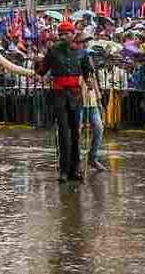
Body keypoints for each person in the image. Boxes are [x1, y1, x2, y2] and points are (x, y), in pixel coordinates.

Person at [35, 20, 93, 182]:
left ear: (73, 33)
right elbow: (42, 71)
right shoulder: (53, 51)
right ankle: (64, 170)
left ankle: (76, 168)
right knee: (63, 133)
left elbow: (87, 70)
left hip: (75, 95)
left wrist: (88, 80)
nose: (64, 37)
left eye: (67, 33)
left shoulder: (82, 52)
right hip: (59, 95)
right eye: (61, 34)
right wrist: (37, 61)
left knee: (75, 132)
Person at [76, 33, 107, 172]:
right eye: (83, 42)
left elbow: (94, 82)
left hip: (92, 101)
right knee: (76, 131)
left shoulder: (90, 66)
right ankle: (75, 160)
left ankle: (92, 157)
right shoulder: (75, 61)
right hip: (78, 101)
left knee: (99, 128)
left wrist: (99, 100)